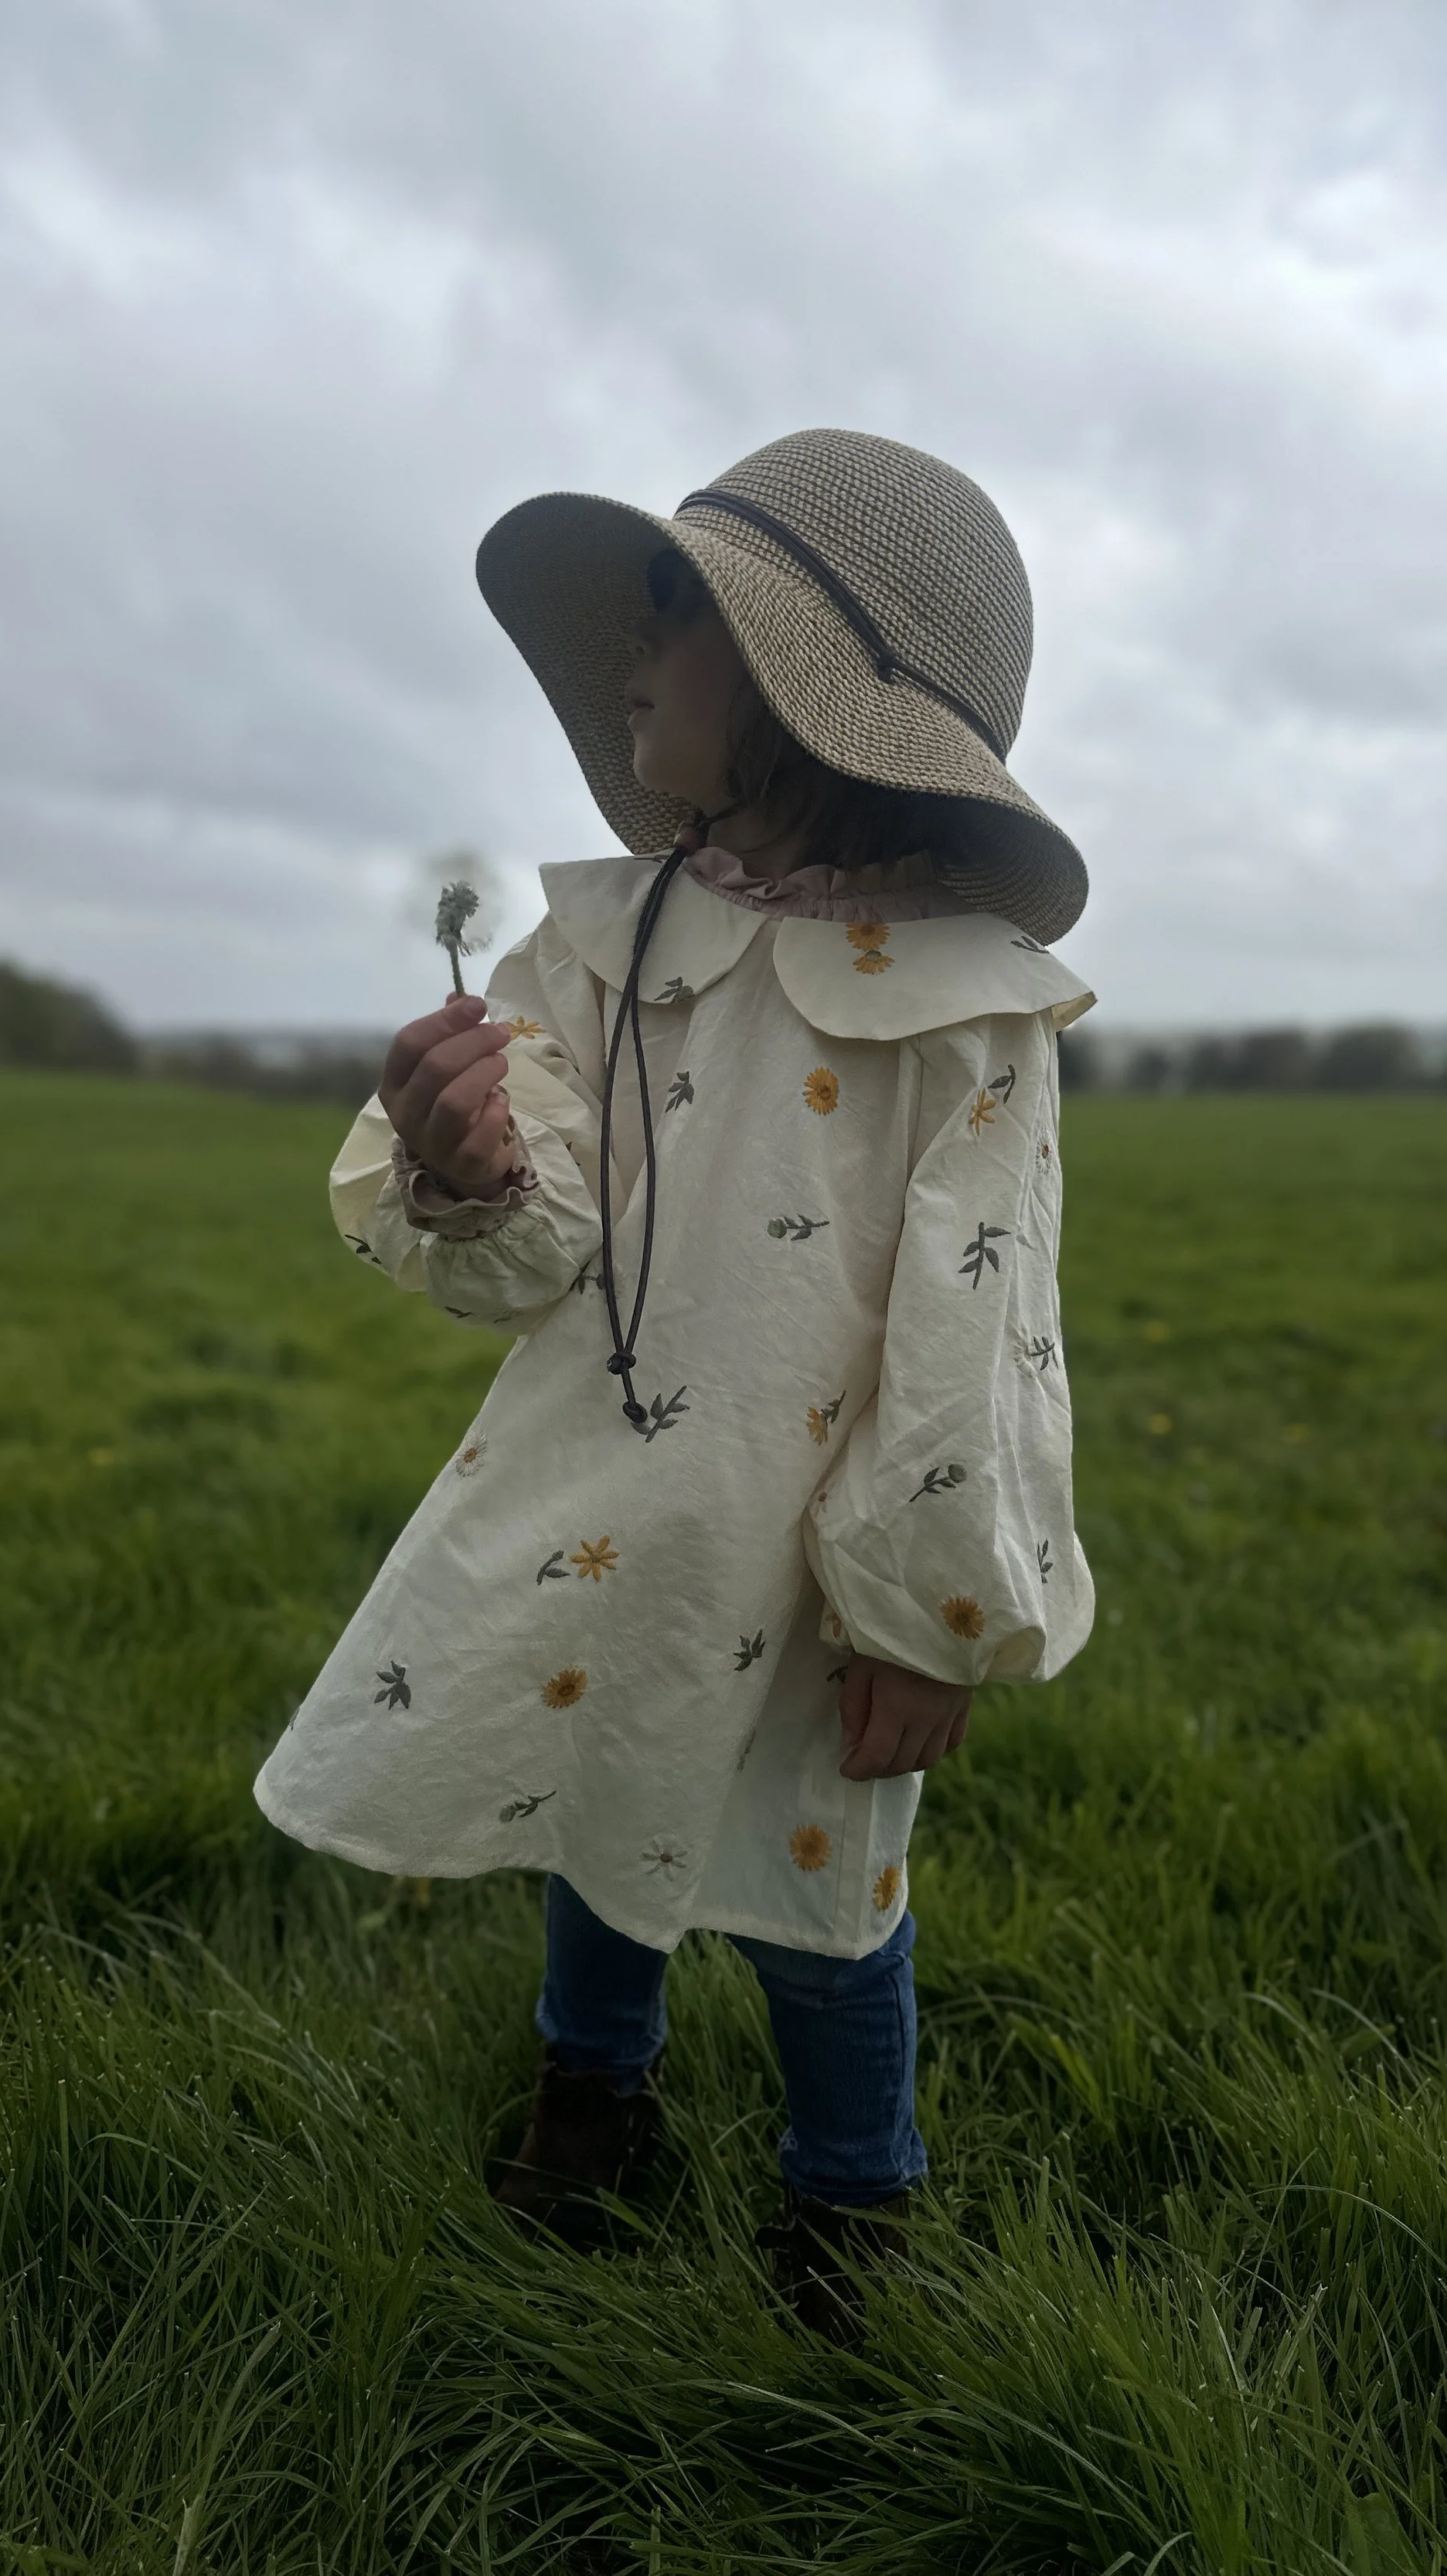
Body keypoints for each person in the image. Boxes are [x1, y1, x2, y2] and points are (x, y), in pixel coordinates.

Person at [255, 428, 1098, 2342]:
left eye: (674, 619)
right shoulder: (600, 944)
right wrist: (470, 1168)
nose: (631, 659)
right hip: (611, 1497)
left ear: (812, 689)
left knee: (822, 1888)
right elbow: (544, 1236)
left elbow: (977, 1331)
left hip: (826, 1550)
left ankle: (847, 2206)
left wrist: (928, 1606)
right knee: (597, 1788)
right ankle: (587, 2098)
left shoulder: (965, 1004)